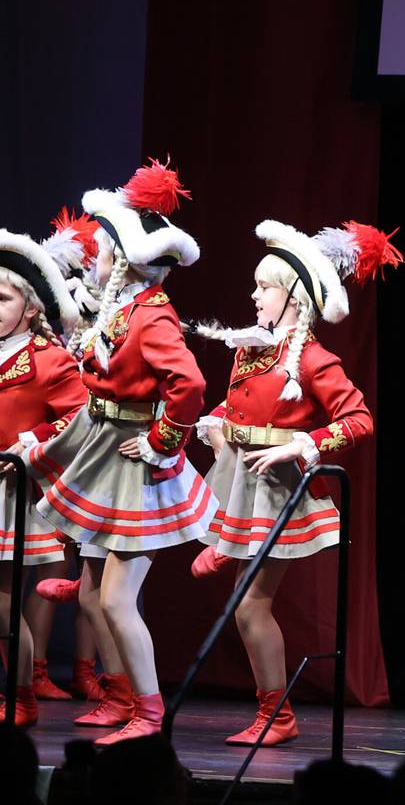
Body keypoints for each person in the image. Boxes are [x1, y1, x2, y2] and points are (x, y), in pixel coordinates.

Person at [22, 162, 218, 742]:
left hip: (136, 462)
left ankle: (149, 715)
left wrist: (161, 441)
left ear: (125, 261)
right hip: (104, 443)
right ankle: (121, 690)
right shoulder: (122, 308)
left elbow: (190, 384)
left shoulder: (151, 315)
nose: (96, 257)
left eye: (104, 250)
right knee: (94, 590)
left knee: (115, 603)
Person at [188, 217, 397, 746]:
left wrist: (300, 445)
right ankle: (229, 545)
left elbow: (359, 420)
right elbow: (240, 404)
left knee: (249, 606)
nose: (254, 296)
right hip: (243, 481)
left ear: (293, 299)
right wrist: (217, 422)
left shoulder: (314, 360)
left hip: (280, 492)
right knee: (244, 606)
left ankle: (277, 716)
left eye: (265, 287)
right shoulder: (253, 348)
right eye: (256, 286)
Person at [0, 225, 90, 725]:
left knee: (3, 601)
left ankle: (21, 696)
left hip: (11, 491)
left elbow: (79, 418)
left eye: (3, 298)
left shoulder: (49, 359)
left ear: (31, 308)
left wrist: (31, 441)